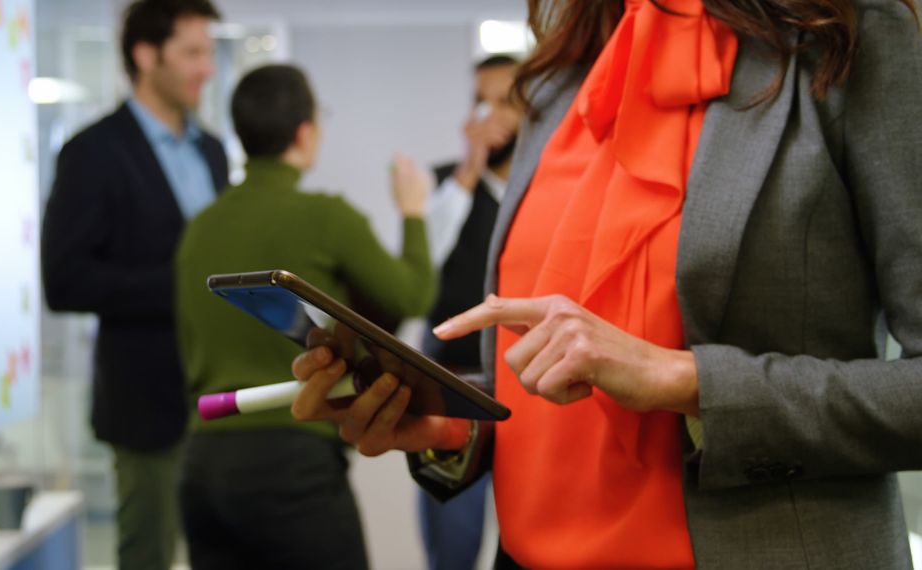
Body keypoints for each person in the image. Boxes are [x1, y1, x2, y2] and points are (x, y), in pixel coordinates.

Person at [290, 0, 922, 567]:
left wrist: (686, 381)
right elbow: (560, 391)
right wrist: (450, 422)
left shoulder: (850, 34)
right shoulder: (559, 77)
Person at [174, 64, 435, 569]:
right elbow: (412, 295)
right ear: (304, 131)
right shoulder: (326, 217)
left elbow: (186, 343)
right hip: (290, 464)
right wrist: (413, 211)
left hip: (203, 465)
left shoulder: (199, 229)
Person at [40, 1, 227, 568]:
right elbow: (64, 281)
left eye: (209, 52)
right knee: (147, 554)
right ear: (146, 56)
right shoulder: (93, 152)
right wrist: (182, 287)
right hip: (146, 402)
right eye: (192, 52)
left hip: (219, 398)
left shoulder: (212, 151)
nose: (207, 68)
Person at [418, 54, 521, 570]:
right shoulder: (446, 183)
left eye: (504, 100)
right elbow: (422, 261)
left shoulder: (546, 185)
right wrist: (468, 168)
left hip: (527, 384)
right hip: (453, 378)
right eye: (481, 100)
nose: (490, 112)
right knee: (454, 541)